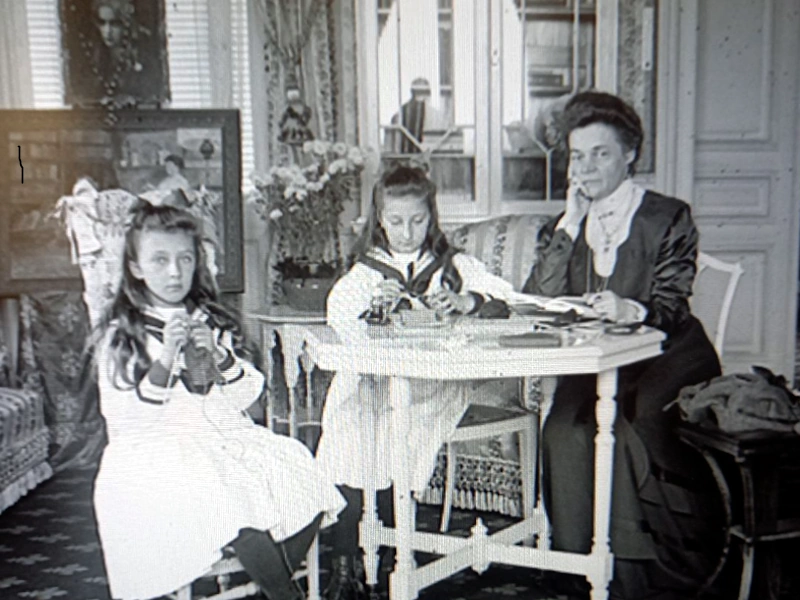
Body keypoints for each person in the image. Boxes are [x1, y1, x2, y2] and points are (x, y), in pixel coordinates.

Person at [522, 91, 723, 599]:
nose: (585, 167)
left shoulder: (667, 216)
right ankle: (580, 571)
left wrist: (630, 309)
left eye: (600, 154)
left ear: (630, 154)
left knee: (628, 425)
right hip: (597, 361)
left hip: (666, 356)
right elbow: (539, 298)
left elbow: (672, 306)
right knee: (563, 431)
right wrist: (570, 224)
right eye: (577, 155)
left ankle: (642, 576)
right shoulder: (565, 225)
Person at [91, 203, 345, 600]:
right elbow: (126, 420)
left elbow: (248, 397)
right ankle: (284, 595)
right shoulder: (122, 335)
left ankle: (272, 589)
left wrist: (221, 355)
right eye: (160, 260)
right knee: (229, 494)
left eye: (184, 259)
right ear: (136, 267)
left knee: (299, 469)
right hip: (154, 448)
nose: (174, 272)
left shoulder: (208, 321)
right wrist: (165, 358)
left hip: (220, 436)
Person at [316, 165, 515, 599]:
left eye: (417, 220)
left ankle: (395, 551)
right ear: (380, 220)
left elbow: (507, 299)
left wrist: (465, 301)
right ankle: (345, 563)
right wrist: (375, 310)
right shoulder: (367, 273)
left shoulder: (452, 266)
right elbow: (340, 318)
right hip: (375, 384)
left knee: (397, 432)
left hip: (432, 384)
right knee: (349, 429)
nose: (407, 233)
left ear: (432, 218)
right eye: (396, 221)